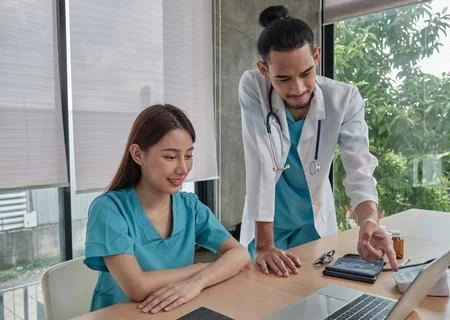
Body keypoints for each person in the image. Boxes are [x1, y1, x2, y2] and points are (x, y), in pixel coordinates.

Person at [238, 5, 398, 278]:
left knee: (312, 301)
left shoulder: (344, 99)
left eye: (305, 73)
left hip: (312, 225)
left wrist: (368, 222)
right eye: (283, 79)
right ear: (264, 69)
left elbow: (359, 169)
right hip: (266, 228)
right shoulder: (253, 87)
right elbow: (261, 162)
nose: (297, 88)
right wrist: (265, 245)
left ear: (317, 56)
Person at [84, 104, 250, 313]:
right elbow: (138, 287)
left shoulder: (190, 207)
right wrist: (200, 268)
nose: (183, 168)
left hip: (174, 313)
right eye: (170, 157)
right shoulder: (109, 209)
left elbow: (240, 255)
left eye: (188, 156)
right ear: (138, 154)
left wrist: (197, 282)